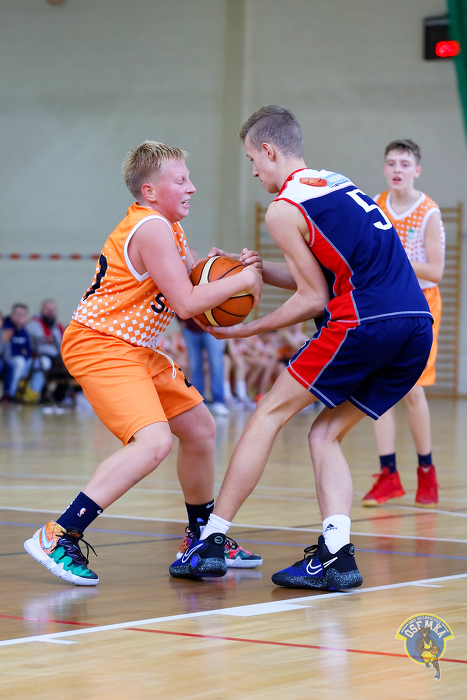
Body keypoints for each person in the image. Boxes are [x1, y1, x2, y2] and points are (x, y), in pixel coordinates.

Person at [168, 105, 433, 590]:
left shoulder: (284, 208)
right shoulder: (337, 184)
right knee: (324, 434)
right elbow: (329, 274)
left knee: (268, 412)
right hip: (415, 327)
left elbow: (314, 298)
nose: (254, 171)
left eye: (253, 160)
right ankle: (337, 556)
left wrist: (244, 331)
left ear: (269, 150)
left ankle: (209, 541)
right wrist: (256, 270)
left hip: (364, 321)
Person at [23, 140, 263, 586]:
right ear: (150, 191)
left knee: (200, 428)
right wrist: (242, 280)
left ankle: (200, 536)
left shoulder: (169, 229)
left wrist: (232, 269)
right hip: (102, 344)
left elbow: (199, 285)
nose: (192, 187)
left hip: (137, 349)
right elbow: (188, 302)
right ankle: (59, 534)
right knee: (153, 443)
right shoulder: (150, 227)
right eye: (181, 180)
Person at [362, 140, 445, 508]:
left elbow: (436, 271)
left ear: (417, 171)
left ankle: (427, 471)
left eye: (404, 163)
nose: (397, 169)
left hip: (421, 304)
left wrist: (394, 261)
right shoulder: (374, 205)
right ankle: (388, 475)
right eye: (392, 163)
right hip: (386, 303)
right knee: (378, 386)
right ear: (384, 168)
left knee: (412, 390)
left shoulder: (428, 212)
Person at [26, 299, 72, 403]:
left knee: (72, 367)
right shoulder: (34, 324)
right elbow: (40, 341)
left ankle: (58, 398)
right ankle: (33, 395)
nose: (51, 312)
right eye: (47, 309)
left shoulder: (57, 326)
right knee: (44, 363)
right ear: (42, 310)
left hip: (56, 359)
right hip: (39, 357)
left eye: (53, 309)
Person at [1, 303, 33, 403]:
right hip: (8, 358)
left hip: (22, 358)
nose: (20, 317)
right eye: (18, 314)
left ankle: (28, 393)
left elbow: (29, 350)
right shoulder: (6, 327)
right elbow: (6, 351)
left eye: (23, 315)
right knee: (20, 362)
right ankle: (10, 393)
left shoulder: (25, 330)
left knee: (33, 363)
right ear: (12, 315)